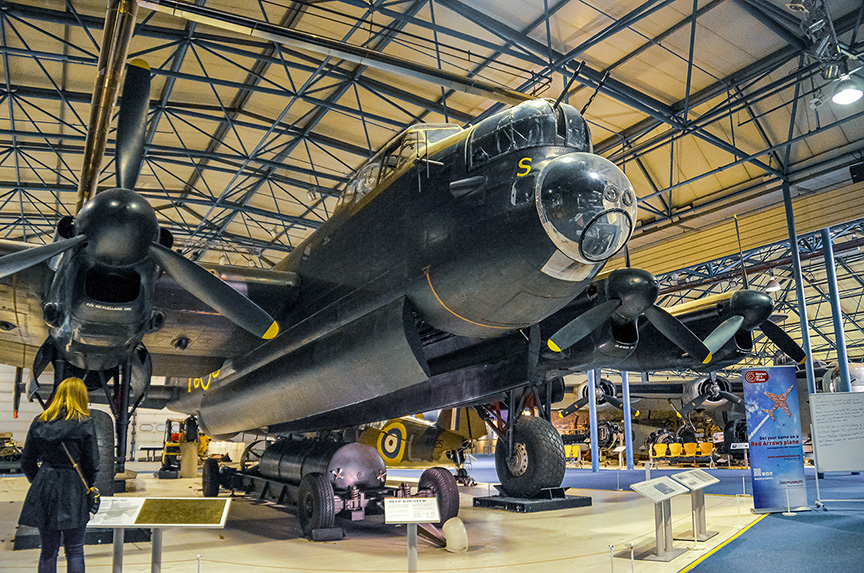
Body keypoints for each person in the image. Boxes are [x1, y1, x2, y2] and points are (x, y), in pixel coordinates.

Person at [18, 377, 99, 573]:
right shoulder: (85, 423)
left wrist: (39, 480)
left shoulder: (39, 422)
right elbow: (92, 462)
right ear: (81, 397)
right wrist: (87, 485)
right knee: (75, 550)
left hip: (45, 486)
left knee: (48, 551)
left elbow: (26, 461)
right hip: (74, 488)